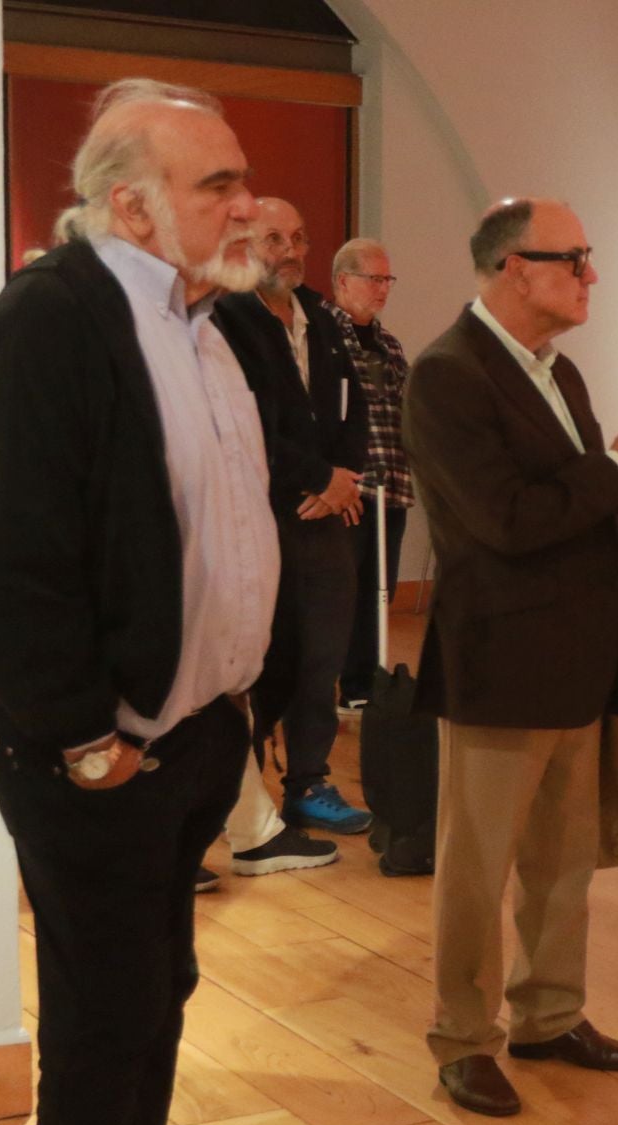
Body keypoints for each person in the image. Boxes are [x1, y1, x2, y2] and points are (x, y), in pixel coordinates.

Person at [0, 77, 276, 1125]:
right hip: (100, 750)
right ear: (131, 203)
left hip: (195, 733)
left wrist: (246, 707)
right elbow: (22, 543)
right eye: (218, 183)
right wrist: (77, 735)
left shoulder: (208, 320)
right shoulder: (53, 316)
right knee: (108, 1008)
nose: (248, 204)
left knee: (157, 984)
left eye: (241, 178)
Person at [405, 197, 618, 1117]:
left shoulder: (560, 373)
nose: (590, 275)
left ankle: (549, 1013)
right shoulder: (448, 375)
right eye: (575, 259)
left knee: (564, 858)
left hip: (579, 653)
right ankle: (462, 1036)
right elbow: (506, 522)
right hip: (502, 661)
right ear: (515, 267)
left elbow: (576, 506)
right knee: (479, 867)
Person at [215, 196, 373, 838]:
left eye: (300, 236)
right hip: (260, 516)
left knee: (323, 656)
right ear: (246, 246)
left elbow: (355, 410)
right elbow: (243, 423)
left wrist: (343, 481)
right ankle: (243, 800)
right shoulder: (228, 318)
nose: (290, 249)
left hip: (326, 514)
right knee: (263, 660)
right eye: (275, 237)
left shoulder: (321, 319)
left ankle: (310, 780)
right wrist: (316, 478)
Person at [328, 237, 413, 710]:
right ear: (344, 281)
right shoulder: (322, 336)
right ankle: (330, 685)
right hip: (347, 488)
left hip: (392, 484)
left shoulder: (390, 345)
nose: (383, 289)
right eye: (373, 279)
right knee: (343, 589)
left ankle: (363, 685)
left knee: (380, 590)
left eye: (387, 280)